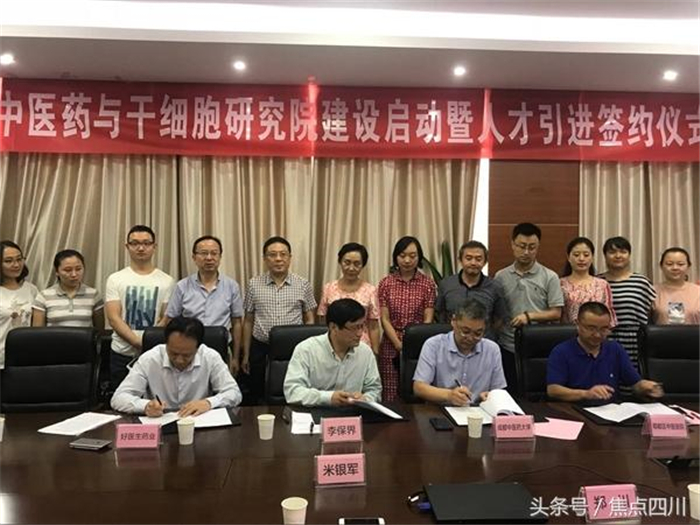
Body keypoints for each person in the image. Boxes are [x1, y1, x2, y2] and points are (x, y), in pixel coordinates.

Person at [111, 316, 241, 416]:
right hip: (159, 426)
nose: (179, 360)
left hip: (198, 426)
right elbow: (118, 398)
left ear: (197, 348)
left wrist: (208, 403)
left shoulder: (210, 357)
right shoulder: (150, 359)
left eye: (186, 355)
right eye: (173, 353)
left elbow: (234, 393)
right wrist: (145, 406)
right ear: (166, 343)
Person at [242, 236, 317, 404]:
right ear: (264, 258)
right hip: (260, 345)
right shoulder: (254, 284)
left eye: (283, 254)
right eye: (272, 254)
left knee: (289, 389)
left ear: (290, 257)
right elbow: (248, 320)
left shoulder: (303, 284)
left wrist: (308, 349)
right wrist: (246, 354)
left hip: (292, 347)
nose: (278, 259)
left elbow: (309, 319)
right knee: (257, 390)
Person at [547, 302, 663, 403]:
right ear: (577, 324)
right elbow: (553, 390)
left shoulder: (615, 349)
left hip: (611, 412)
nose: (597, 335)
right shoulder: (561, 351)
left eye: (604, 329)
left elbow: (634, 384)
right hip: (575, 410)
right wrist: (586, 394)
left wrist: (645, 387)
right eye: (591, 328)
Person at [494, 223, 563, 393]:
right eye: (522, 246)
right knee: (509, 394)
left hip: (537, 346)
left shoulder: (550, 277)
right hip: (507, 345)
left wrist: (529, 316)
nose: (526, 252)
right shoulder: (501, 276)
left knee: (536, 396)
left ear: (538, 247)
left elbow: (556, 313)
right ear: (513, 245)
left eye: (532, 247)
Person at [105, 225, 175, 390]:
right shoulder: (115, 279)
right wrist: (138, 342)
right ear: (127, 246)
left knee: (155, 400)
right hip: (122, 353)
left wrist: (149, 343)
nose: (141, 248)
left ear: (154, 247)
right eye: (135, 243)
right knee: (121, 400)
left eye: (146, 243)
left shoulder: (167, 281)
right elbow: (114, 318)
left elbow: (166, 318)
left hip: (154, 353)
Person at [162, 236, 244, 374]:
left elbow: (237, 323)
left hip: (221, 347)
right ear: (194, 257)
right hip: (189, 348)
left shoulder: (231, 286)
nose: (209, 258)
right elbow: (170, 320)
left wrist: (235, 357)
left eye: (214, 253)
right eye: (204, 253)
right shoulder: (182, 286)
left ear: (220, 256)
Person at [284, 298, 381, 406]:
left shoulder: (365, 352)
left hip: (353, 412)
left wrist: (365, 398)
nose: (360, 333)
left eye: (362, 326)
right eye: (354, 328)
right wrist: (328, 398)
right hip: (316, 411)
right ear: (333, 327)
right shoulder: (306, 350)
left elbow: (375, 390)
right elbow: (293, 391)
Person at [413, 300, 506, 405]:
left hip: (478, 410)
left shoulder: (492, 350)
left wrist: (490, 396)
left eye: (477, 334)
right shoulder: (434, 345)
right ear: (453, 321)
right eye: (465, 332)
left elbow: (498, 391)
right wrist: (449, 395)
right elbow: (419, 388)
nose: (470, 338)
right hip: (441, 410)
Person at [377, 236, 436, 402]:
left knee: (415, 390)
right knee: (389, 392)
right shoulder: (386, 283)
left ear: (419, 257)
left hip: (418, 343)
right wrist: (397, 343)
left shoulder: (428, 284)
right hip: (390, 342)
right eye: (402, 255)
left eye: (412, 255)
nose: (407, 260)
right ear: (396, 257)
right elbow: (384, 318)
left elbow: (428, 318)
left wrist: (416, 340)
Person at [598, 236, 655, 368]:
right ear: (605, 256)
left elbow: (651, 313)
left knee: (634, 377)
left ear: (629, 255)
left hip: (635, 341)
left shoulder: (641, 281)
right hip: (604, 339)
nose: (618, 256)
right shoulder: (597, 282)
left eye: (623, 252)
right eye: (612, 252)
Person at [435, 240, 508, 339]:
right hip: (452, 342)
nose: (473, 263)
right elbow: (441, 314)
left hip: (483, 341)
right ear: (460, 260)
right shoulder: (446, 284)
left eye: (478, 259)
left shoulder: (495, 287)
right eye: (468, 258)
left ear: (485, 262)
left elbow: (500, 318)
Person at [317, 242, 380, 355]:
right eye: (347, 262)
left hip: (361, 345)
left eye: (357, 264)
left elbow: (374, 326)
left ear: (363, 265)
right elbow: (323, 321)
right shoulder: (328, 288)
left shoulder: (371, 290)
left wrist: (375, 352)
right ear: (340, 262)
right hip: (333, 346)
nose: (351, 268)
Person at [32, 249, 104, 329]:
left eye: (78, 269)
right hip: (53, 337)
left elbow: (99, 331)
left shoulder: (94, 295)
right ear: (57, 272)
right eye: (68, 270)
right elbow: (37, 332)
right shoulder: (44, 296)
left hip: (85, 337)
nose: (74, 274)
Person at [560, 236, 617, 325]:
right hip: (568, 331)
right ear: (568, 257)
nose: (581, 259)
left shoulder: (602, 284)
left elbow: (610, 316)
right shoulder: (560, 284)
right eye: (576, 255)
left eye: (586, 255)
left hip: (597, 331)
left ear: (592, 257)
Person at [0, 240, 38, 369]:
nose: (16, 265)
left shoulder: (31, 289)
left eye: (19, 259)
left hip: (25, 357)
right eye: (8, 261)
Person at [653, 247, 700, 325]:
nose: (675, 268)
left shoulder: (698, 291)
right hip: (661, 333)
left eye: (680, 264)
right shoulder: (652, 292)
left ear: (688, 266)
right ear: (661, 266)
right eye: (669, 264)